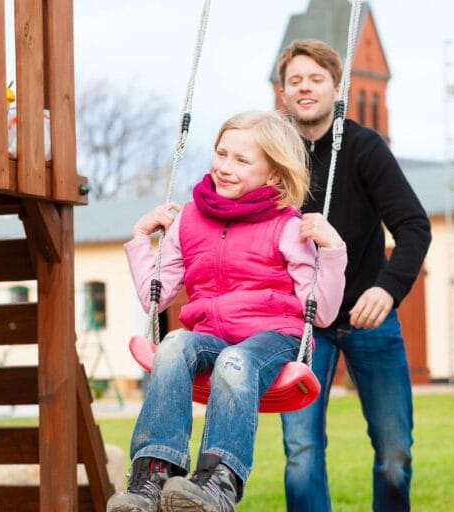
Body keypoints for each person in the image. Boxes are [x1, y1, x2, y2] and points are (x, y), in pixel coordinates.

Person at [107, 110, 347, 512]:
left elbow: (320, 313)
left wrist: (333, 249)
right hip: (211, 338)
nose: (225, 167)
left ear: (272, 175)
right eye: (221, 154)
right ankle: (152, 476)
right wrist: (138, 240)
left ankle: (218, 482)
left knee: (235, 361)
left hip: (271, 339)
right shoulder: (189, 220)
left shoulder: (287, 225)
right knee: (173, 343)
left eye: (242, 160)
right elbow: (155, 299)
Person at [276, 39, 432, 511]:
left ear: (336, 87)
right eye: (295, 81)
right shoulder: (274, 156)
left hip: (369, 317)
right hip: (303, 324)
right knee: (301, 454)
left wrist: (389, 288)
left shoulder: (364, 148)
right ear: (283, 93)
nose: (305, 88)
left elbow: (413, 227)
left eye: (315, 79)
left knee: (394, 455)